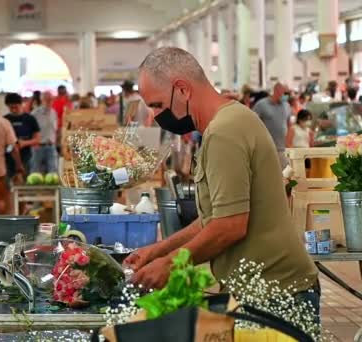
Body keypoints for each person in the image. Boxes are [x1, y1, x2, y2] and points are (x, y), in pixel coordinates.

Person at [126, 47, 319, 317]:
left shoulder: (223, 133)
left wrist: (170, 264)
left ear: (182, 89)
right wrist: (158, 251)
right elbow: (214, 217)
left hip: (276, 295)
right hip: (265, 290)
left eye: (158, 105)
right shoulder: (229, 120)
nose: (157, 116)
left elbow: (230, 226)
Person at [252, 83, 291, 169]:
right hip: (266, 148)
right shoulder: (261, 105)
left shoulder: (286, 106)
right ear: (276, 91)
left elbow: (289, 124)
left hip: (282, 148)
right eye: (284, 93)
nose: (286, 96)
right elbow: (252, 122)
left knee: (285, 176)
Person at [4, 93, 41, 176]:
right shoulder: (5, 120)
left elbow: (37, 139)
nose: (13, 110)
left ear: (21, 104)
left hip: (27, 156)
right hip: (8, 157)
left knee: (25, 181)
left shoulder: (30, 119)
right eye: (11, 107)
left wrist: (24, 143)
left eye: (16, 107)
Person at [31, 91, 58, 174]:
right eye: (47, 99)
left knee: (53, 172)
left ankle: (52, 187)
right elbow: (31, 130)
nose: (49, 101)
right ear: (42, 100)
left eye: (51, 99)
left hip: (51, 146)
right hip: (38, 147)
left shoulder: (54, 112)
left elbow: (54, 129)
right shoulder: (35, 113)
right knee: (36, 172)